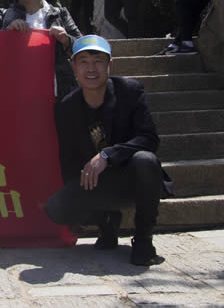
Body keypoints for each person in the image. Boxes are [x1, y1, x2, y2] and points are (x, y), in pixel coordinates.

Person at [45, 35, 172, 266]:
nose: (91, 69)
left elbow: (149, 138)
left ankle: (143, 240)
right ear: (74, 67)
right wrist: (76, 204)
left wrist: (107, 155)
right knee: (56, 207)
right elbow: (68, 159)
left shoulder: (130, 91)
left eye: (98, 61)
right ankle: (106, 221)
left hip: (133, 178)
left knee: (145, 160)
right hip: (95, 182)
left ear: (109, 64)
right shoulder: (66, 107)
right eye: (84, 62)